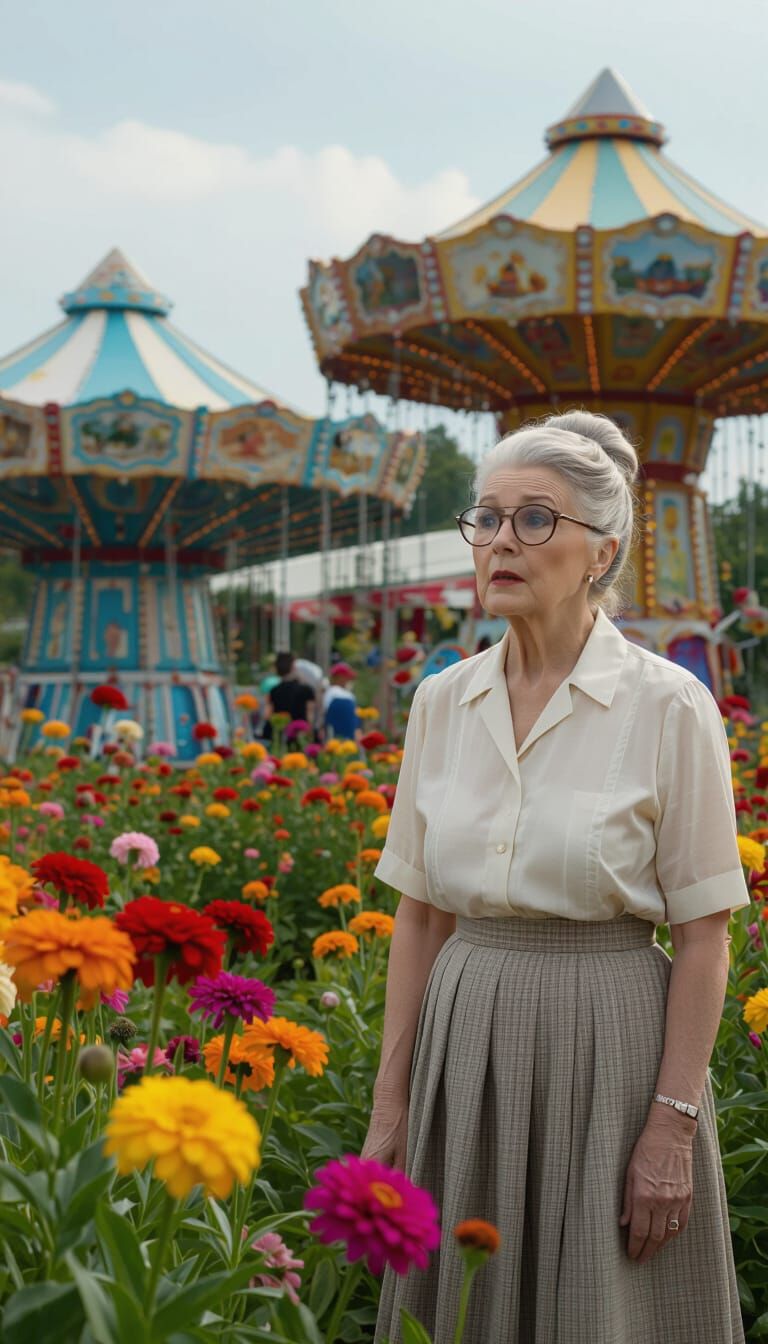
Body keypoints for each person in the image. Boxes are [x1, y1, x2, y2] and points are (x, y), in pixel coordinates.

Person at [365, 410, 749, 1343]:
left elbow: (704, 934)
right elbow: (420, 918)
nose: (501, 540)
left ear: (601, 550)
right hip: (465, 1038)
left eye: (535, 520)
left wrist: (669, 1127)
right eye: (487, 518)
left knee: (600, 1306)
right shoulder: (442, 702)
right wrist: (391, 1107)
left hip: (608, 1037)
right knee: (460, 1301)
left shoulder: (669, 704)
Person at [263, 652, 315, 741]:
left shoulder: (274, 691)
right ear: (293, 666)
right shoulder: (306, 690)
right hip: (299, 735)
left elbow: (267, 715)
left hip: (279, 736)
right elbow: (310, 716)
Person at [322, 661, 359, 742]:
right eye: (347, 678)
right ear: (340, 677)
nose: (349, 681)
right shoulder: (345, 695)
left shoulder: (330, 692)